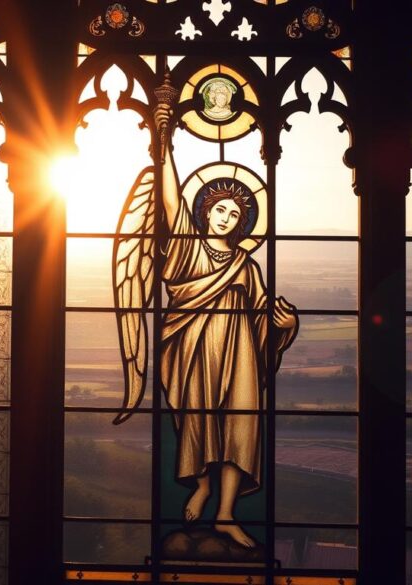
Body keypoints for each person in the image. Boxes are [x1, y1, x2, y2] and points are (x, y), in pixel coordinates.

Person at [154, 103, 298, 548]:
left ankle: (226, 513)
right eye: (220, 210)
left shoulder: (247, 265)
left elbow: (263, 322)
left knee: (241, 427)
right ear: (205, 212)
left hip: (240, 362)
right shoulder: (186, 249)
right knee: (198, 422)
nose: (227, 219)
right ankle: (200, 483)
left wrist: (286, 325)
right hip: (194, 353)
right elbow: (170, 197)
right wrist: (163, 141)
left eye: (236, 215)